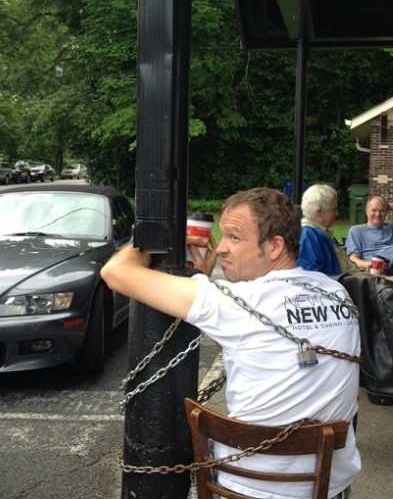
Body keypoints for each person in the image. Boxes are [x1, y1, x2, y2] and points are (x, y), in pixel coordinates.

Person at [102, 187, 360, 499]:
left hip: (246, 487)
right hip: (330, 487)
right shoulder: (337, 293)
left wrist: (152, 234)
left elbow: (115, 272)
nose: (221, 248)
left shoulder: (232, 303)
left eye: (234, 238)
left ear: (275, 246)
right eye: (222, 236)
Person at [298, 184, 343, 276]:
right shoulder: (308, 236)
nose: (337, 214)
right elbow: (311, 277)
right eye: (333, 210)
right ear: (319, 212)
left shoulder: (319, 233)